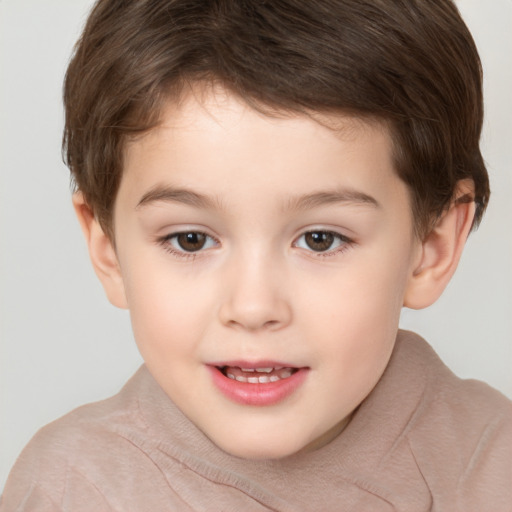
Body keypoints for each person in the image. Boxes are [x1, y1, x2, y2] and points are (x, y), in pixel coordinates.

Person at [1, 0, 511, 510]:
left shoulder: (492, 469)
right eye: (190, 240)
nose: (252, 307)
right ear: (108, 248)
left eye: (320, 239)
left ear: (432, 247)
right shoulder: (74, 488)